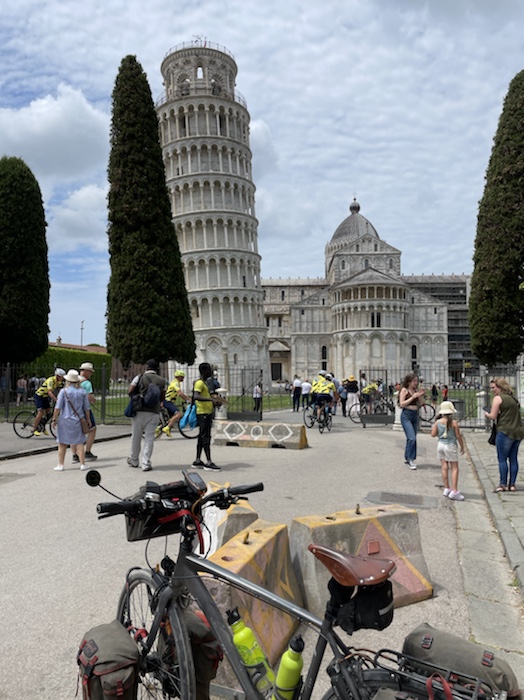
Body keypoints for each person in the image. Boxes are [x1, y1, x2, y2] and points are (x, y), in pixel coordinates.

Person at [485, 377, 524, 492]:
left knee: (502, 459)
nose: (492, 390)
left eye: (493, 388)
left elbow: (493, 416)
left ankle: (503, 484)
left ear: (500, 387)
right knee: (513, 458)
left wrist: (487, 414)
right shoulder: (513, 398)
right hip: (518, 431)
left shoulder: (498, 398)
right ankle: (512, 484)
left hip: (505, 431)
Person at [127, 359, 166, 472]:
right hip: (153, 411)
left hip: (139, 410)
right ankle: (146, 462)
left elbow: (130, 390)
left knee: (136, 437)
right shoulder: (161, 380)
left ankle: (134, 460)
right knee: (149, 438)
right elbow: (162, 396)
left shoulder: (140, 377)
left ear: (147, 367)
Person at [51, 369, 91, 472]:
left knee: (62, 443)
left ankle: (61, 464)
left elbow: (58, 407)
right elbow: (87, 408)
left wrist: (54, 419)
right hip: (78, 419)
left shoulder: (63, 391)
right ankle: (82, 464)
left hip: (65, 420)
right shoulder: (82, 392)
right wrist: (88, 419)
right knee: (79, 442)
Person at [192, 362, 225, 471]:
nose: (211, 371)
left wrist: (215, 401)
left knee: (202, 437)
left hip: (206, 412)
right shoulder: (199, 383)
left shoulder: (204, 383)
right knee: (206, 437)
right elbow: (196, 396)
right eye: (209, 369)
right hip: (203, 414)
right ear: (204, 371)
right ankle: (209, 462)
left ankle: (197, 460)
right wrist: (211, 400)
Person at [431, 400, 465, 500]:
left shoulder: (438, 422)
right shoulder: (454, 423)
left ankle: (447, 488)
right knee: (454, 468)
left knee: (444, 467)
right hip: (450, 445)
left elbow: (433, 434)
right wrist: (462, 446)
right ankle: (454, 490)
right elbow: (458, 436)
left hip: (440, 445)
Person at [398, 373, 426, 470]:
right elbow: (402, 404)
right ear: (409, 381)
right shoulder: (404, 390)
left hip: (415, 414)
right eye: (414, 381)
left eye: (416, 381)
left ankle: (408, 457)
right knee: (411, 438)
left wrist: (420, 395)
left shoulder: (415, 390)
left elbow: (421, 403)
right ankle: (410, 459)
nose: (416, 383)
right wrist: (413, 397)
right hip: (406, 415)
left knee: (412, 438)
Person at [72, 362, 98, 463]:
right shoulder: (87, 383)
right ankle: (87, 451)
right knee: (92, 429)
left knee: (75, 431)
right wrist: (94, 400)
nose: (91, 374)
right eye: (90, 372)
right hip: (83, 409)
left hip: (72, 409)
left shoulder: (72, 381)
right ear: (86, 371)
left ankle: (74, 454)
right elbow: (89, 396)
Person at [33, 368, 66, 435]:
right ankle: (34, 429)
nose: (63, 378)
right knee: (41, 412)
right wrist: (56, 400)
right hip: (39, 396)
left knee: (49, 413)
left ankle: (42, 425)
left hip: (45, 397)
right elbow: (50, 392)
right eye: (62, 377)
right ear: (57, 376)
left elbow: (60, 390)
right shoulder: (50, 380)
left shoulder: (59, 382)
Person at [159, 369, 190, 437]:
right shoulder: (175, 383)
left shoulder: (175, 382)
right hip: (168, 401)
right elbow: (180, 393)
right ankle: (167, 428)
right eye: (182, 377)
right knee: (179, 414)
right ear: (179, 377)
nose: (183, 378)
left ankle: (159, 428)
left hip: (168, 401)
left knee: (172, 418)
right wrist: (188, 399)